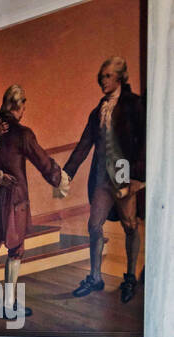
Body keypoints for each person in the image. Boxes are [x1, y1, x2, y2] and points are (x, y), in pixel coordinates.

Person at [0, 85, 66, 318]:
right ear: (18, 106)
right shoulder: (23, 134)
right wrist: (60, 179)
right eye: (23, 106)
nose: (24, 110)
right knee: (16, 250)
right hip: (14, 201)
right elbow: (43, 163)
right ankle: (8, 304)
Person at [61, 56, 145, 302]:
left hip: (123, 172)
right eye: (101, 76)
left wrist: (137, 177)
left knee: (129, 225)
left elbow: (144, 141)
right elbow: (84, 144)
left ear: (120, 77)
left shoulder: (134, 104)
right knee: (94, 225)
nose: (102, 80)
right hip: (101, 176)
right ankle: (95, 277)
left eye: (107, 76)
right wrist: (67, 173)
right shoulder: (98, 109)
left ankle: (130, 277)